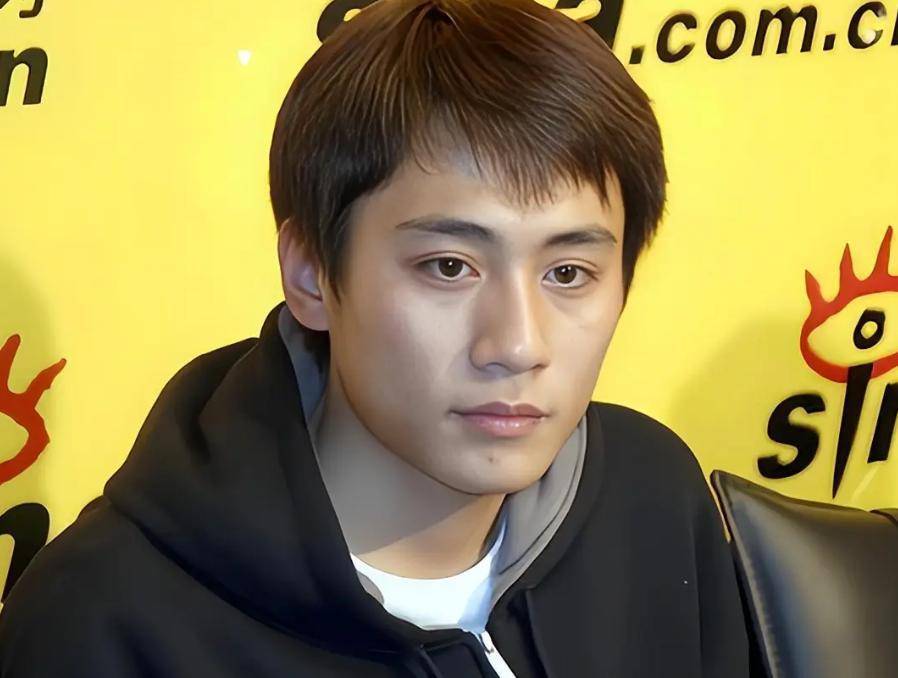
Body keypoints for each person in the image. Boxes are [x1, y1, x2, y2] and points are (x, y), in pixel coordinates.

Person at [0, 0, 750, 675]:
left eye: (569, 273)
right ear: (311, 274)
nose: (519, 344)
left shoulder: (652, 497)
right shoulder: (100, 622)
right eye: (449, 267)